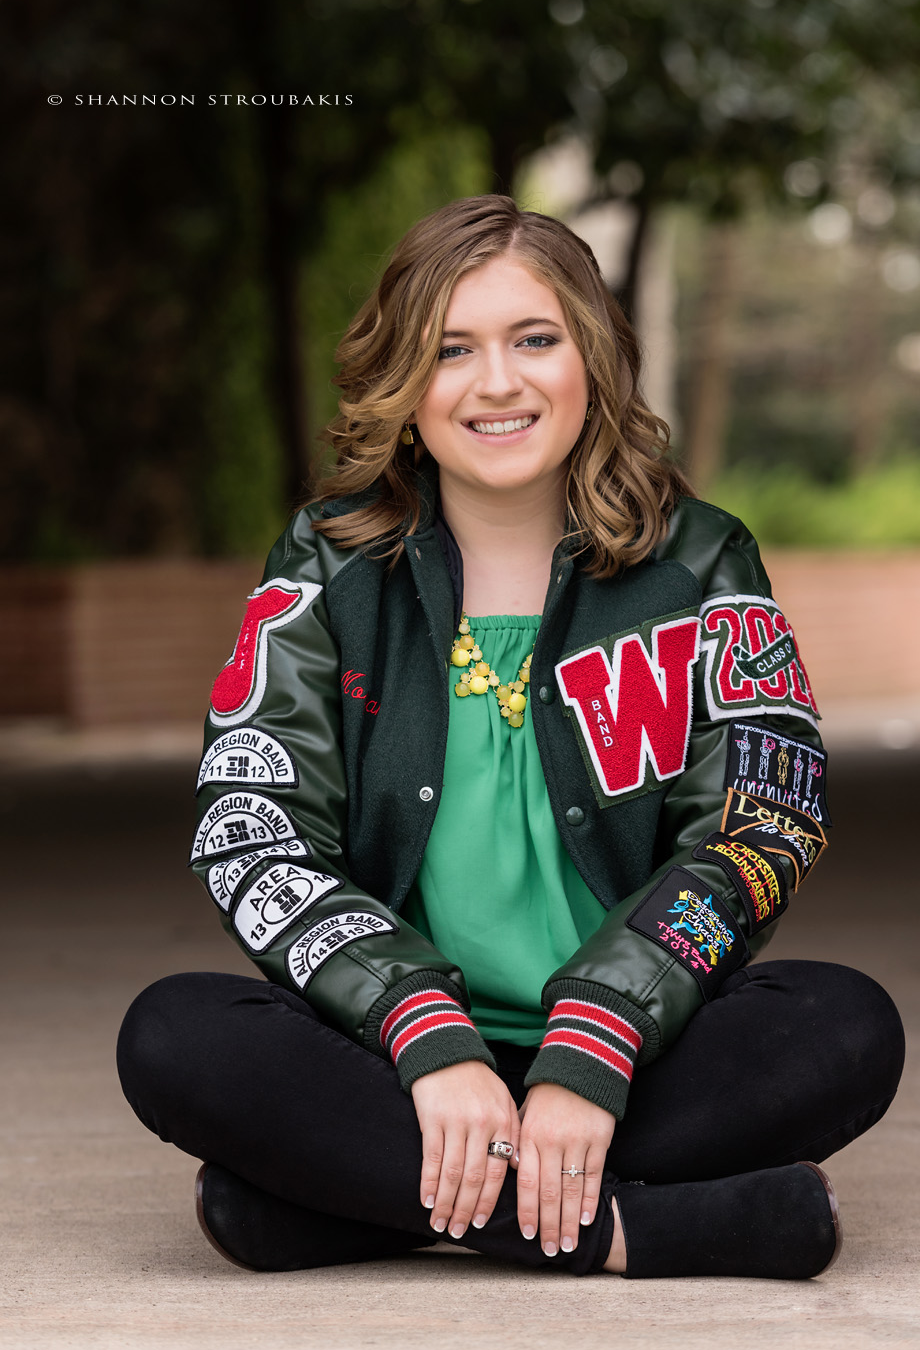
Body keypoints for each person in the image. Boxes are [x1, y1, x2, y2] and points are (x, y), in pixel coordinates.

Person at [117, 195, 904, 1279]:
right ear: (403, 380)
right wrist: (425, 1033)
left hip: (642, 1043)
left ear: (592, 356)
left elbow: (758, 822)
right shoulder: (327, 562)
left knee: (845, 1025)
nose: (497, 383)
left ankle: (366, 1207)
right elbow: (254, 828)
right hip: (397, 1056)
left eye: (533, 339)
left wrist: (595, 1038)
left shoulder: (701, 559)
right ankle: (642, 1227)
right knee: (171, 1035)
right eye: (450, 350)